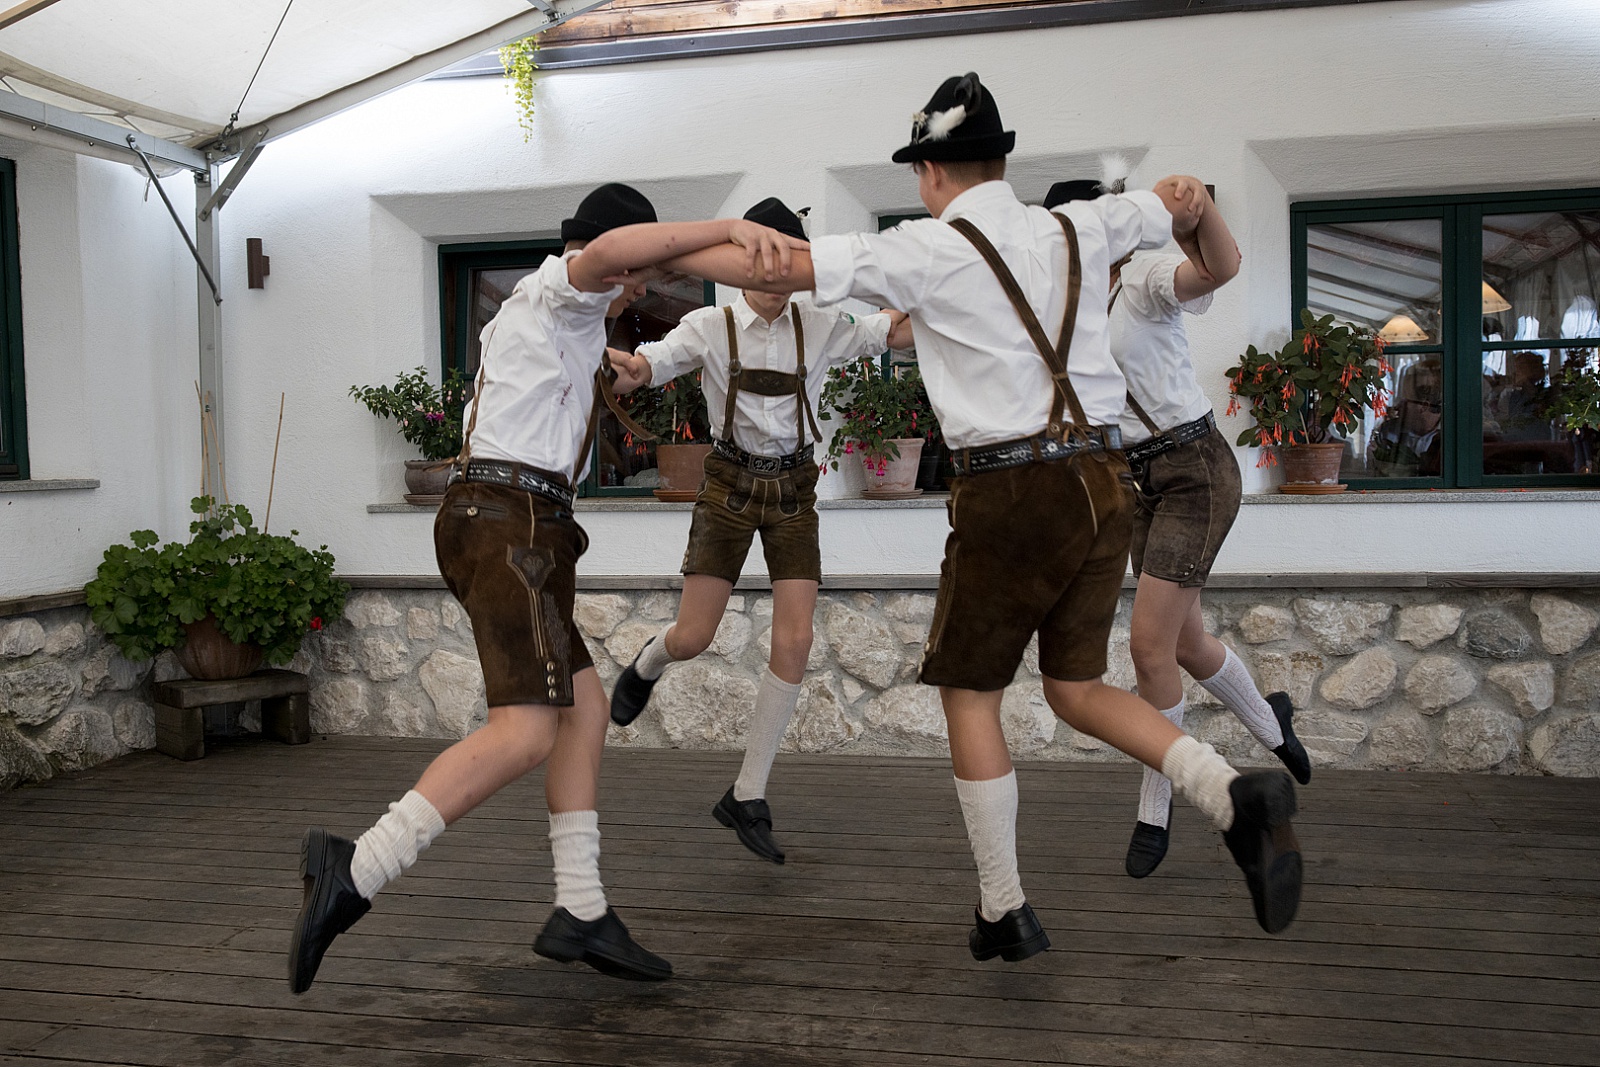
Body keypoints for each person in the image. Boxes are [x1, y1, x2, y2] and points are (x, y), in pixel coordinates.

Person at [660, 74, 1305, 959]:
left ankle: (1004, 904)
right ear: (999, 161)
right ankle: (1231, 794)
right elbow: (1178, 205)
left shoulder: (925, 247)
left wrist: (658, 253)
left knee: (970, 692)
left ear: (929, 171)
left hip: (1010, 492)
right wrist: (1186, 197)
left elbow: (773, 269)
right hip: (1104, 481)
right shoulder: (1083, 225)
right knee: (1077, 688)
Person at [287, 184, 803, 994]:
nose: (637, 289)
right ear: (610, 257)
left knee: (585, 708)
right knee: (526, 731)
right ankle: (356, 867)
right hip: (510, 524)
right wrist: (732, 229)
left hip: (526, 527)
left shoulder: (567, 320)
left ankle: (581, 905)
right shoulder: (565, 288)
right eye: (636, 274)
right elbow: (613, 255)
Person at [608, 198, 907, 863]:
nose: (770, 275)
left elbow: (893, 331)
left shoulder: (822, 323)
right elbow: (653, 363)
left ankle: (747, 794)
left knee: (796, 640)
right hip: (729, 488)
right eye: (758, 261)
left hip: (795, 489)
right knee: (694, 635)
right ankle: (650, 660)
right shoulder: (709, 325)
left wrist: (929, 286)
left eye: (783, 262)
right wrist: (630, 370)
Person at [1043, 173, 1310, 881]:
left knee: (1149, 644)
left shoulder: (1144, 279)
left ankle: (1155, 808)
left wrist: (1202, 207)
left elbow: (1219, 267)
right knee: (1185, 641)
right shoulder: (1059, 311)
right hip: (1135, 480)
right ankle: (1273, 723)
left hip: (1195, 469)